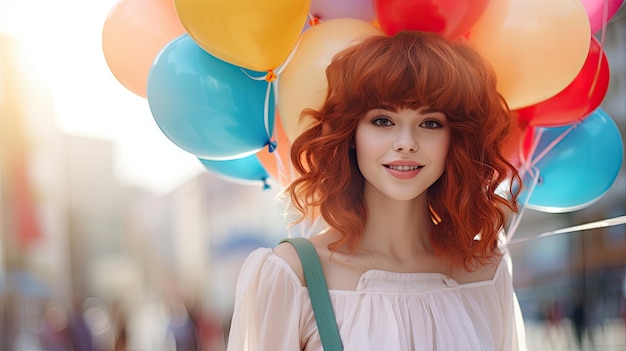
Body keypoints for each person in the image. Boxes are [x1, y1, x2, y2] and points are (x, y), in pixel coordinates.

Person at [227, 30, 526, 350]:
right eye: (383, 121)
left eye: (430, 123)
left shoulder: (486, 272)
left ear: (455, 140)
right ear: (351, 135)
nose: (406, 143)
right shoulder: (293, 274)